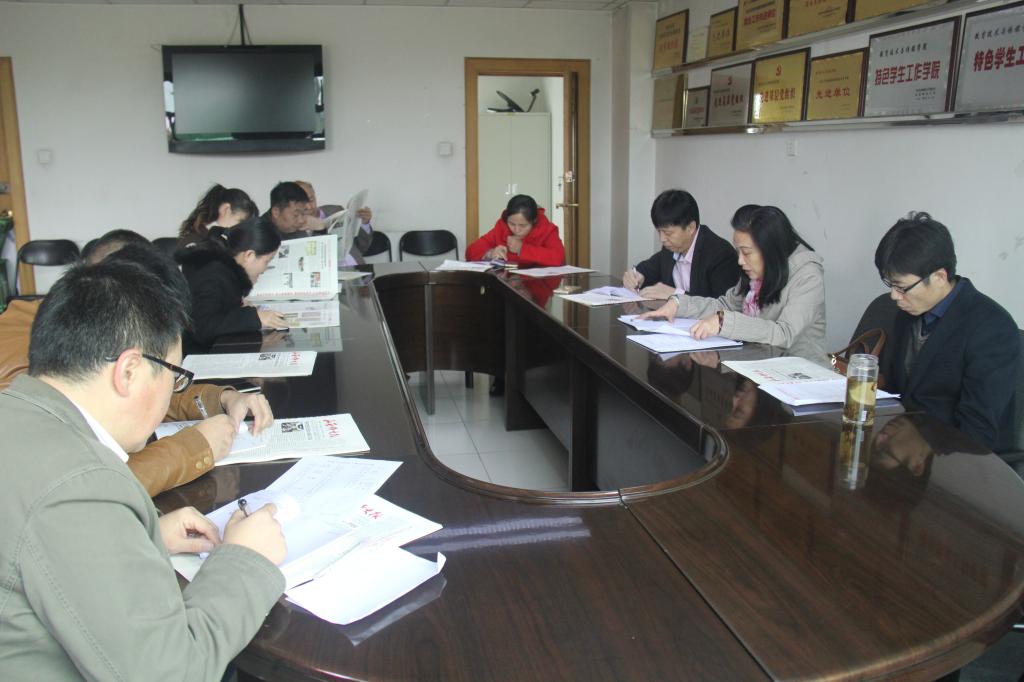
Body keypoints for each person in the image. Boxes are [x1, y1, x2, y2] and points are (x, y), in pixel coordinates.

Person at [0, 257, 285, 680]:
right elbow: (170, 673)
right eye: (174, 374)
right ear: (129, 371)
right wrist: (246, 559)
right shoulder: (82, 485)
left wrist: (145, 535)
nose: (173, 391)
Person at [0, 231, 274, 495]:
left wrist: (220, 399)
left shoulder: (84, 335)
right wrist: (193, 449)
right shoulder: (23, 370)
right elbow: (82, 488)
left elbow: (138, 389)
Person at [874, 212, 1019, 453]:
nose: (894, 296)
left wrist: (918, 448)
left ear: (939, 277)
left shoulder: (992, 329)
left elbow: (978, 430)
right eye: (891, 285)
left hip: (957, 458)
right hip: (904, 444)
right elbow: (898, 391)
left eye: (901, 287)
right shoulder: (908, 313)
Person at [639, 205, 827, 362]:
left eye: (746, 252)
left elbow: (784, 333)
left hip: (799, 375)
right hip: (755, 364)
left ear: (770, 249)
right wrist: (678, 303)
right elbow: (725, 305)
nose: (740, 261)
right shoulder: (756, 271)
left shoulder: (808, 275)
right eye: (738, 251)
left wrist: (724, 321)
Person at [177, 219, 288, 349]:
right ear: (249, 255)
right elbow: (202, 327)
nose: (265, 269)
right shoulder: (211, 275)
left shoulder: (225, 268)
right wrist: (254, 318)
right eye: (267, 261)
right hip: (196, 352)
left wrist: (239, 309)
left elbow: (219, 309)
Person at [622, 190, 741, 300]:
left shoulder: (720, 255)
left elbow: (723, 307)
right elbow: (649, 268)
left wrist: (676, 294)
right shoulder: (670, 248)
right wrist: (635, 275)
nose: (662, 239)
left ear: (691, 227)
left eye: (668, 233)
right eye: (659, 231)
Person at [466, 194, 565, 267]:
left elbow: (558, 258)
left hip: (537, 284)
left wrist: (522, 249)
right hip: (507, 281)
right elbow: (470, 251)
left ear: (534, 222)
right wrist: (490, 253)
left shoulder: (547, 229)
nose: (516, 230)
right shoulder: (502, 226)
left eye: (523, 225)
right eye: (512, 224)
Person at [295, 179, 374, 264]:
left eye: (311, 200)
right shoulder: (294, 229)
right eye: (303, 203)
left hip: (359, 267)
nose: (309, 207)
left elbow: (362, 247)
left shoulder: (336, 210)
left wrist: (364, 223)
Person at [178, 184, 258, 248]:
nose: (241, 228)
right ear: (226, 209)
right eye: (240, 221)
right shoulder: (195, 243)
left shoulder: (218, 240)